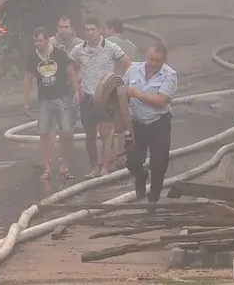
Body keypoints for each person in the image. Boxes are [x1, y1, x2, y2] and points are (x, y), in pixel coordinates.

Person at [70, 20, 132, 178]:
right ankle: (94, 167)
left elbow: (128, 63)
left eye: (93, 29)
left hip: (106, 96)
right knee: (90, 135)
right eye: (87, 30)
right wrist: (77, 88)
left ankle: (105, 167)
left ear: (100, 31)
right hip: (87, 96)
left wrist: (121, 84)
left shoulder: (110, 47)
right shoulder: (79, 49)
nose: (90, 32)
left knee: (106, 132)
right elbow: (70, 66)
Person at [22, 27, 78, 181]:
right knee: (45, 133)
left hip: (63, 97)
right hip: (44, 100)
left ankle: (65, 166)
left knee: (67, 132)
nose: (37, 43)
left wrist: (77, 91)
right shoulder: (33, 58)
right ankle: (47, 168)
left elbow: (71, 72)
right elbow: (27, 79)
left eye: (40, 40)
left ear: (47, 39)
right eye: (35, 41)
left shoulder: (59, 54)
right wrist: (25, 101)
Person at [124, 44, 178, 203]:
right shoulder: (133, 70)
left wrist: (138, 95)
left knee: (159, 163)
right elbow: (120, 90)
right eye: (150, 59)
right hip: (137, 122)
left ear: (164, 61)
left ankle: (153, 199)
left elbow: (161, 100)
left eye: (157, 61)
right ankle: (141, 174)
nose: (153, 63)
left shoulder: (170, 76)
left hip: (158, 123)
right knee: (132, 161)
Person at [102, 17, 138, 164]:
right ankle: (127, 153)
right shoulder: (132, 46)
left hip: (110, 87)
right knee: (127, 122)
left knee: (111, 124)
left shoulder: (107, 44)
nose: (103, 32)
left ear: (111, 29)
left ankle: (115, 155)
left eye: (105, 29)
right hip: (128, 87)